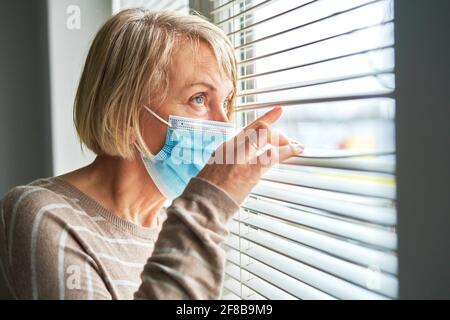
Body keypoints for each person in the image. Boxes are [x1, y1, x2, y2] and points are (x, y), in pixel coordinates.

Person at [0, 9, 304, 299]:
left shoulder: (170, 228)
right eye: (199, 98)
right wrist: (211, 200)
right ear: (124, 111)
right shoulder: (40, 214)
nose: (225, 126)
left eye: (225, 103)